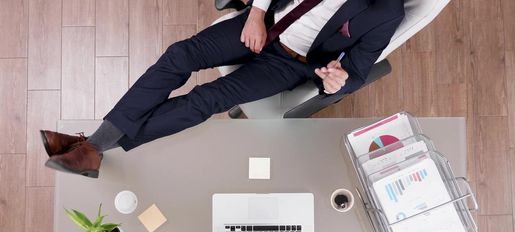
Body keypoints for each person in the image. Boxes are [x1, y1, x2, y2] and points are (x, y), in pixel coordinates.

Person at [41, 0, 405, 178]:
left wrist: (336, 80)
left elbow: (357, 69)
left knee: (209, 98)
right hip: (263, 23)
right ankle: (91, 148)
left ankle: (92, 145)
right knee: (180, 55)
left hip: (292, 63)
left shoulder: (387, 11)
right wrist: (257, 13)